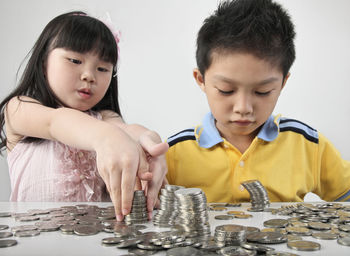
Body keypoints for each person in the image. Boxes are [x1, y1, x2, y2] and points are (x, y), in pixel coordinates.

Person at [166, 0, 350, 203]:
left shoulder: (308, 145)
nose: (243, 108)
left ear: (282, 83)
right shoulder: (173, 154)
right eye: (226, 90)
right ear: (201, 79)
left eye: (262, 92)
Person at [0, 11, 168, 221]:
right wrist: (106, 137)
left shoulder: (105, 118)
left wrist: (148, 139)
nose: (89, 75)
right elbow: (55, 122)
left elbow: (126, 130)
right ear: (44, 63)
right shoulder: (20, 108)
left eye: (102, 68)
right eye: (75, 60)